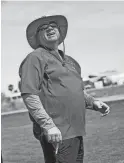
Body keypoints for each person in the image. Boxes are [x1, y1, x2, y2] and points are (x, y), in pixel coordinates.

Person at [19, 15, 110, 163]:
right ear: (37, 37)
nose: (49, 28)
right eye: (43, 28)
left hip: (75, 129)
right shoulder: (35, 57)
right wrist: (49, 126)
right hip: (57, 130)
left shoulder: (69, 61)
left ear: (60, 32)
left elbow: (75, 90)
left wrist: (93, 102)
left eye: (53, 25)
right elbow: (29, 94)